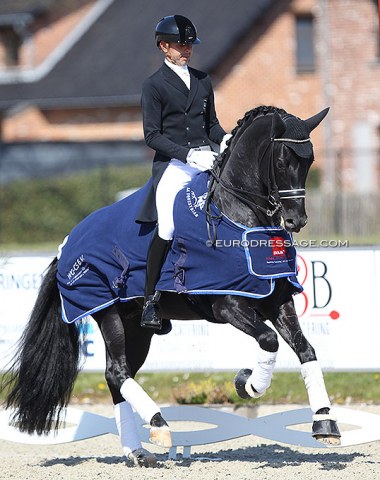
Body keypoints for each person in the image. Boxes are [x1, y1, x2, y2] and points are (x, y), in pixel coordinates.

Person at [139, 14, 231, 330]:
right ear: (164, 46)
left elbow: (212, 125)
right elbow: (152, 135)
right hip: (175, 165)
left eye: (190, 44)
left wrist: (227, 139)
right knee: (166, 226)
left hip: (206, 158)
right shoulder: (153, 85)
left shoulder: (203, 80)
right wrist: (188, 155)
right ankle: (150, 300)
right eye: (180, 44)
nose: (187, 49)